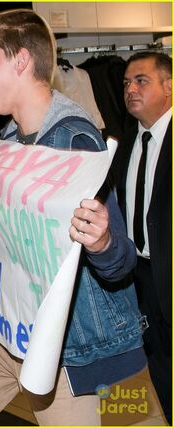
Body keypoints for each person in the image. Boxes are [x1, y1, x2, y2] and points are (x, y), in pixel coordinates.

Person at [0, 9, 145, 425]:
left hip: (67, 347)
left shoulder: (75, 142)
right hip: (9, 329)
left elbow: (121, 262)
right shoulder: (8, 141)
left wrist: (102, 242)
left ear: (20, 60)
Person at [111, 51, 172, 423]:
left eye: (141, 81)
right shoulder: (125, 140)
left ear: (169, 86)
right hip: (139, 278)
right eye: (126, 83)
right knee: (158, 371)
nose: (130, 89)